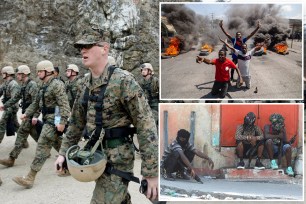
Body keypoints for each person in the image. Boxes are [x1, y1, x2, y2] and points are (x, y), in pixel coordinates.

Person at [54, 28, 158, 203]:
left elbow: (146, 125)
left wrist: (151, 172)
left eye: (88, 46)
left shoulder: (124, 81)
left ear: (105, 49)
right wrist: (63, 152)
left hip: (118, 158)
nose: (83, 51)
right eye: (81, 47)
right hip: (95, 155)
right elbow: (76, 122)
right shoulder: (84, 83)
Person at [12, 60, 70, 188]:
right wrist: (27, 113)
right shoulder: (43, 85)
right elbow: (36, 103)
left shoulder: (57, 84)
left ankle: (30, 177)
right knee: (58, 143)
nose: (38, 73)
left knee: (42, 144)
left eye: (40, 71)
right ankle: (72, 164)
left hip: (55, 117)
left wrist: (62, 121)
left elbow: (64, 105)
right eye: (37, 71)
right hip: (48, 118)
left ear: (48, 71)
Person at [0, 65, 41, 168]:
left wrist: (35, 116)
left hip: (30, 114)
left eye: (18, 74)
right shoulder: (23, 85)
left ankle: (11, 159)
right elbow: (15, 98)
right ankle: (47, 148)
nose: (16, 75)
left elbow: (37, 102)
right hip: (26, 113)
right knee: (33, 133)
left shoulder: (32, 85)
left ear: (24, 74)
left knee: (21, 134)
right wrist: (4, 106)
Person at [0, 66, 21, 144]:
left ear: (7, 74)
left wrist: (5, 106)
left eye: (3, 73)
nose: (2, 74)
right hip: (8, 106)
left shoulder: (13, 84)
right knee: (16, 125)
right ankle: (24, 141)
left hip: (11, 107)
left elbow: (14, 99)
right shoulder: (6, 83)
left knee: (2, 123)